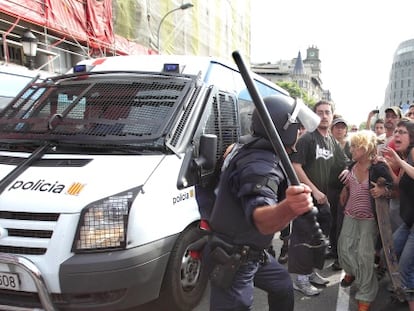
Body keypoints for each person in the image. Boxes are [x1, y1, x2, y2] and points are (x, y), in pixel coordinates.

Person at [206, 95, 317, 311]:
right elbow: (262, 220)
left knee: (282, 286)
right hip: (234, 257)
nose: (300, 131)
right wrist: (288, 208)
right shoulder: (260, 163)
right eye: (298, 126)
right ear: (285, 129)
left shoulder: (254, 147)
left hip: (253, 252)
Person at [289, 100, 347, 296]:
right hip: (306, 198)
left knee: (317, 239)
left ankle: (311, 272)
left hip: (323, 200)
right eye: (320, 112)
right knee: (303, 239)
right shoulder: (307, 139)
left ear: (332, 115)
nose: (324, 116)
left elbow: (343, 162)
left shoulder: (331, 140)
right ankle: (300, 279)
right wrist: (313, 190)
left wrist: (348, 169)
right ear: (314, 116)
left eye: (327, 112)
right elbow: (296, 166)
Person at [337, 130, 393, 311]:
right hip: (350, 215)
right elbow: (349, 177)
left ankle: (365, 297)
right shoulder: (352, 164)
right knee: (344, 250)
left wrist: (383, 191)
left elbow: (394, 188)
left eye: (355, 146)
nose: (351, 149)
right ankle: (352, 273)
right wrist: (345, 188)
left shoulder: (378, 167)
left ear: (365, 148)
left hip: (369, 219)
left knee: (365, 257)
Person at [382, 118, 414, 311]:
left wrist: (400, 161)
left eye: (402, 132)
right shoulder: (405, 156)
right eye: (396, 132)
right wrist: (387, 164)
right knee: (390, 250)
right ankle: (402, 291)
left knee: (404, 267)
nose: (397, 135)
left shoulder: (412, 152)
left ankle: (406, 297)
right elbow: (397, 184)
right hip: (409, 220)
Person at [327, 116, 352, 271]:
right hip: (329, 188)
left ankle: (340, 257)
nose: (340, 129)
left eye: (343, 127)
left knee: (342, 223)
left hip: (346, 190)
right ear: (332, 129)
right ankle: (333, 249)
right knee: (331, 222)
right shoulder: (327, 143)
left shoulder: (350, 146)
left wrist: (347, 169)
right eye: (337, 127)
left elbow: (355, 162)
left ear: (346, 130)